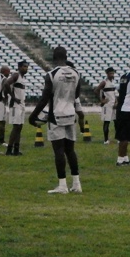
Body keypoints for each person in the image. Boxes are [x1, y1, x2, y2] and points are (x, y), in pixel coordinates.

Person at [30, 46, 82, 193]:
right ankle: (76, 184)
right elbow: (77, 94)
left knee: (58, 150)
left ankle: (62, 185)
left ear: (54, 58)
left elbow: (44, 98)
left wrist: (33, 116)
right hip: (71, 114)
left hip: (56, 115)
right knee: (70, 150)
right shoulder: (76, 73)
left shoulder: (52, 75)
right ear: (66, 57)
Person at [3, 60, 29, 156]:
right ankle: (9, 149)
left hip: (21, 104)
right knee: (16, 127)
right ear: (19, 67)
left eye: (27, 67)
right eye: (24, 66)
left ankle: (16, 149)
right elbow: (6, 83)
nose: (26, 68)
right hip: (15, 104)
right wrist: (13, 97)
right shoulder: (16, 75)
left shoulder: (22, 78)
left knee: (20, 127)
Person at [94, 66, 117, 144]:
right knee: (107, 122)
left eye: (113, 73)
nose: (112, 75)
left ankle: (117, 138)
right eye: (110, 73)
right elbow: (96, 90)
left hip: (113, 105)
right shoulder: (104, 82)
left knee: (116, 121)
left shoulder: (113, 82)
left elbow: (114, 93)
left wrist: (116, 101)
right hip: (107, 105)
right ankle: (106, 140)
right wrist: (102, 100)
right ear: (107, 74)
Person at [0, 64, 11, 146]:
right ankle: (2, 141)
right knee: (2, 121)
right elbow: (4, 89)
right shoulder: (4, 78)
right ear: (4, 71)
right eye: (8, 72)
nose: (9, 74)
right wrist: (5, 98)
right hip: (0, 101)